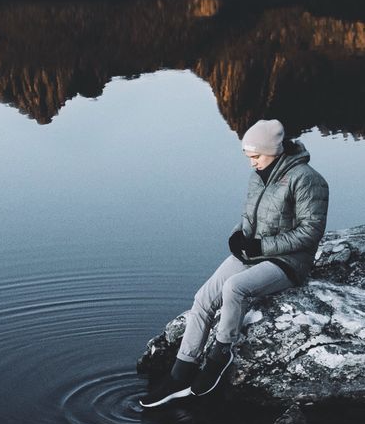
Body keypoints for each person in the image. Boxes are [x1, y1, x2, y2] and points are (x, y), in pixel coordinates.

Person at [140, 118, 329, 408]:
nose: (251, 163)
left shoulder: (307, 179)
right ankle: (181, 373)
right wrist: (237, 237)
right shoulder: (259, 176)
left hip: (289, 262)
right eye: (248, 157)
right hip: (255, 253)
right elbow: (249, 219)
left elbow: (310, 232)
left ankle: (220, 354)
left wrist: (261, 246)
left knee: (235, 288)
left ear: (275, 151)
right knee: (203, 298)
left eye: (256, 156)